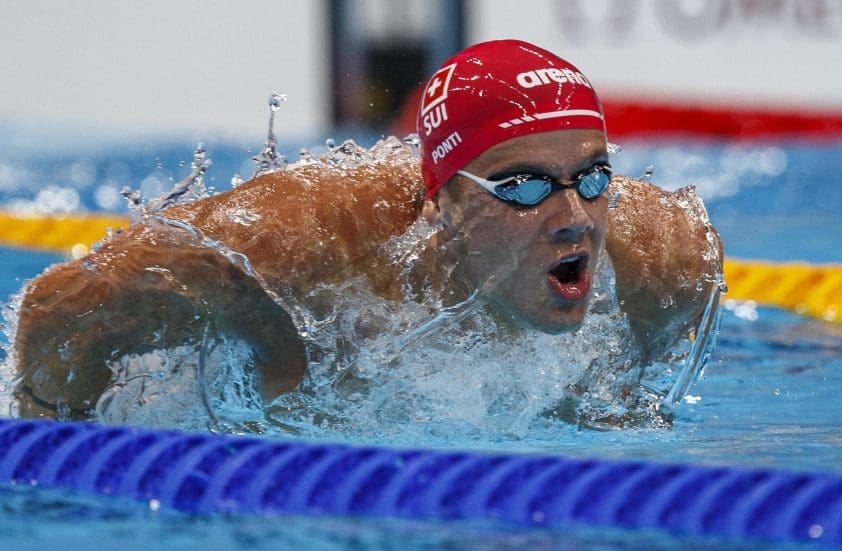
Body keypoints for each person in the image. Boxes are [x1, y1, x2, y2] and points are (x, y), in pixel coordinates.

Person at [11, 40, 722, 425]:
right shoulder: (294, 245)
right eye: (524, 186)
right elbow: (52, 311)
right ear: (442, 201)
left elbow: (621, 410)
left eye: (594, 176)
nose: (574, 216)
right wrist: (60, 429)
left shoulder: (669, 263)